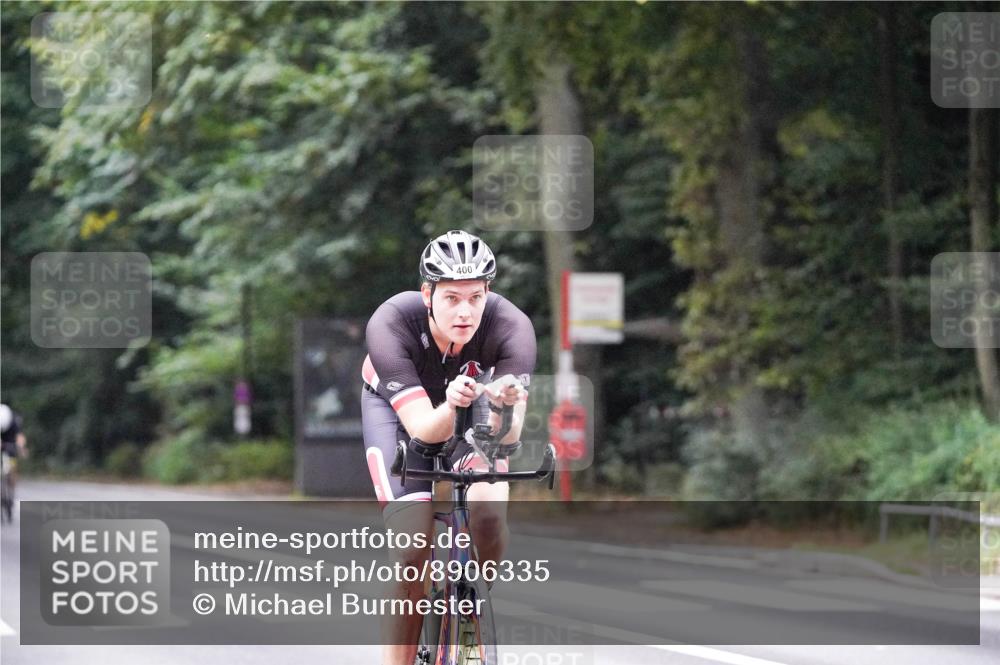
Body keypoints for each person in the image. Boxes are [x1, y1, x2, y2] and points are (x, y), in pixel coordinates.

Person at [360, 230, 535, 665]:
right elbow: (423, 432)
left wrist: (504, 409)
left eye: (475, 297)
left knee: (489, 513)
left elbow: (506, 440)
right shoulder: (391, 323)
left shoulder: (512, 327)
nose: (465, 311)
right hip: (402, 416)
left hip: (473, 405)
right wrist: (453, 404)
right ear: (428, 294)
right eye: (452, 298)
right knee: (412, 550)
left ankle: (470, 602)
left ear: (488, 292)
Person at [0, 403, 28, 522]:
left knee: (12, 467)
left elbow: (20, 437)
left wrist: (21, 448)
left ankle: (11, 486)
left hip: (10, 445)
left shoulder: (13, 421)